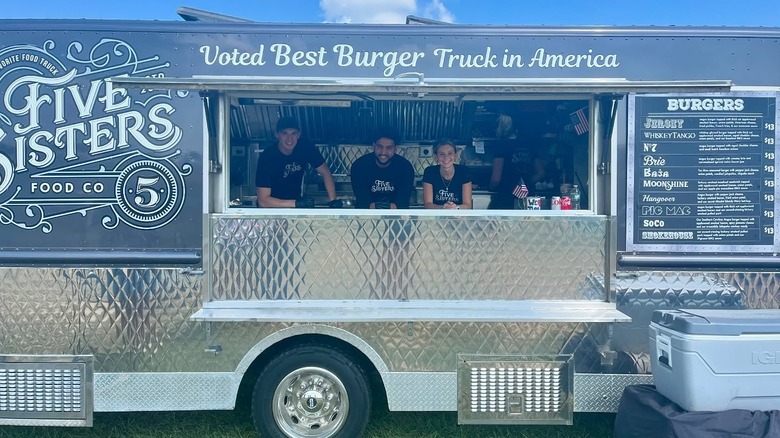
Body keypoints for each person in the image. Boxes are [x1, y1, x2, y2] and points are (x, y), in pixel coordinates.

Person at [255, 116, 341, 208]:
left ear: (299, 134)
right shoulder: (267, 157)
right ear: (277, 134)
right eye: (284, 133)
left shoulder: (305, 147)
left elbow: (325, 172)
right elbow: (263, 201)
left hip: (295, 204)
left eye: (293, 133)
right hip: (272, 208)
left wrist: (333, 200)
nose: (289, 138)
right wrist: (296, 203)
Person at [350, 129, 415, 209]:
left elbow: (402, 203)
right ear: (373, 146)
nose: (383, 152)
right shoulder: (359, 166)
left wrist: (386, 207)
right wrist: (380, 207)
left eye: (389, 148)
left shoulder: (405, 167)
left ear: (395, 149)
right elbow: (362, 202)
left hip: (396, 216)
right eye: (379, 147)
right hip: (366, 215)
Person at [489, 114, 534, 209]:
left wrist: (491, 188)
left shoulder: (501, 146)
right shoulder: (529, 146)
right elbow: (541, 172)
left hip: (505, 196)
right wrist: (527, 182)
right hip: (528, 196)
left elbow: (496, 179)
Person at [422, 139, 472, 209]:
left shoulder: (463, 171)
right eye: (441, 154)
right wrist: (443, 208)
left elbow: (468, 205)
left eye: (450, 153)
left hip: (459, 217)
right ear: (436, 157)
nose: (446, 157)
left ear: (456, 156)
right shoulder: (430, 172)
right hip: (436, 217)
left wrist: (456, 208)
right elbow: (428, 204)